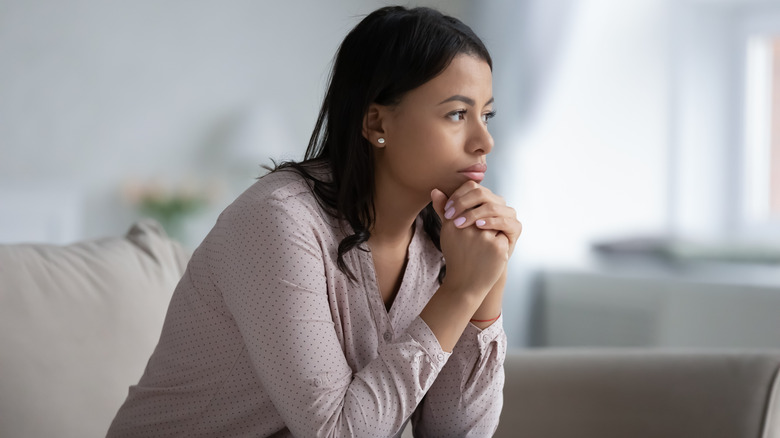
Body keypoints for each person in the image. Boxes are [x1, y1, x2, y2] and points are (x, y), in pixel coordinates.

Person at [108, 5, 521, 437]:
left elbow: (455, 434)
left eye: (486, 115)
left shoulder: (443, 240)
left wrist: (487, 292)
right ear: (376, 121)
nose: (484, 141)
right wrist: (461, 291)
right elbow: (335, 432)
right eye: (457, 114)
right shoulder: (277, 221)